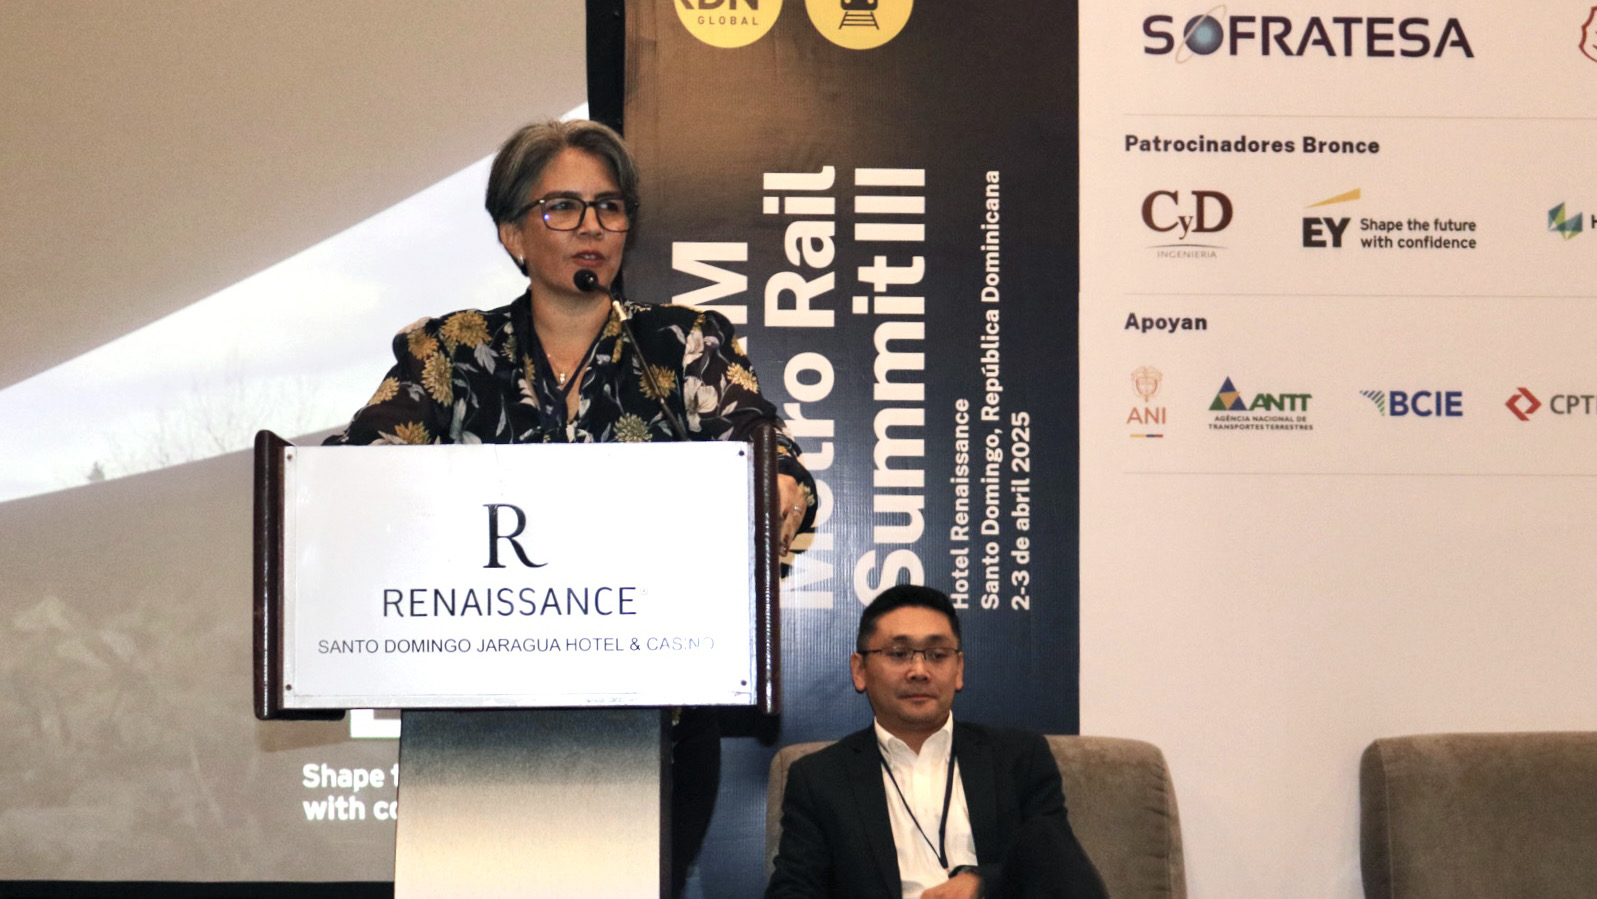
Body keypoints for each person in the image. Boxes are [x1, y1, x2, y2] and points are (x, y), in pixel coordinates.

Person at [325, 118, 816, 897]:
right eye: (562, 207)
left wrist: (778, 475)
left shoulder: (679, 346)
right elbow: (361, 465)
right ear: (512, 232)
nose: (591, 227)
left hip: (658, 722)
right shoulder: (450, 350)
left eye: (608, 207)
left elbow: (760, 439)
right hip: (476, 724)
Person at [765, 585, 1108, 899]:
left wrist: (982, 883)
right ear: (860, 670)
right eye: (898, 653)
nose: (919, 671)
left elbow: (1059, 872)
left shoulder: (1018, 758)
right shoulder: (820, 779)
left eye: (937, 654)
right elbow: (792, 891)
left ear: (958, 668)